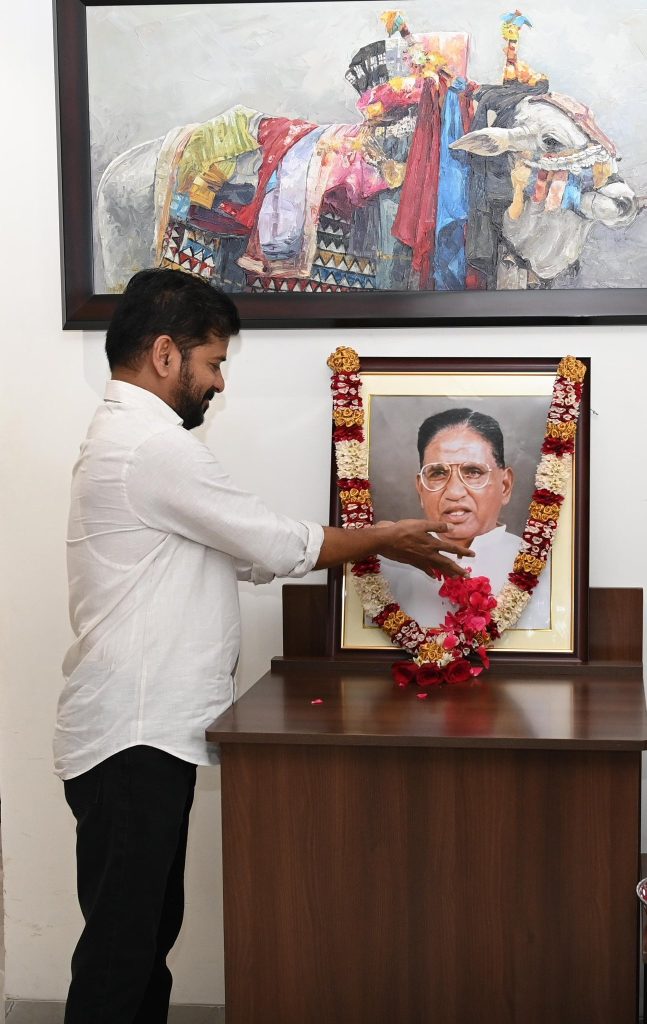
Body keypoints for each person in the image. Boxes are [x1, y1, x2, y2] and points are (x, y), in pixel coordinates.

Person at [55, 268, 473, 1024]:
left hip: (140, 735)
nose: (217, 384)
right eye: (212, 362)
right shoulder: (150, 447)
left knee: (144, 939)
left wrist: (361, 542)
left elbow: (243, 552)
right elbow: (272, 543)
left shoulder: (133, 441)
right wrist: (384, 537)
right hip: (133, 736)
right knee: (123, 951)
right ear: (164, 355)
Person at [382, 407, 551, 629]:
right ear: (420, 489)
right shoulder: (385, 565)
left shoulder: (546, 569)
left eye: (473, 471)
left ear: (505, 485)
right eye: (438, 473)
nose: (454, 492)